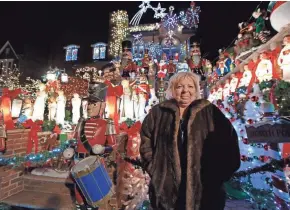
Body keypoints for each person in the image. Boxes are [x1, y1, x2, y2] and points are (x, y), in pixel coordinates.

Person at [140, 72, 241, 210]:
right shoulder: (159, 112)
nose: (185, 91)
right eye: (179, 86)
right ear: (172, 89)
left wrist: (219, 176)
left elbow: (230, 143)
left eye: (190, 86)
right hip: (167, 190)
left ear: (196, 89)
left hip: (205, 190)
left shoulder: (209, 111)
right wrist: (155, 170)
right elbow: (146, 140)